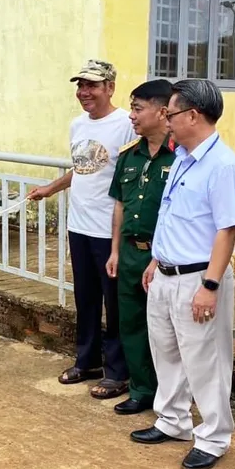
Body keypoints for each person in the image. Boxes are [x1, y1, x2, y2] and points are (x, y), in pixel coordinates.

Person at [129, 79, 235, 469]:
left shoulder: (224, 165)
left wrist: (210, 286)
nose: (167, 120)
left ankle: (213, 438)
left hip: (198, 278)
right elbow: (171, 214)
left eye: (171, 113)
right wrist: (155, 260)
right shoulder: (182, 156)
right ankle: (173, 420)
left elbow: (226, 230)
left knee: (206, 361)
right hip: (164, 273)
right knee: (166, 352)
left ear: (192, 115)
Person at [27, 59, 137, 400]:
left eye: (91, 85)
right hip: (80, 226)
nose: (83, 92)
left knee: (114, 302)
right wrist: (52, 188)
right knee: (86, 299)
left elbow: (131, 176)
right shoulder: (77, 125)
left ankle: (118, 371)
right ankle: (87, 361)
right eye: (80, 86)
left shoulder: (125, 125)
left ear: (109, 88)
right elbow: (84, 167)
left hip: (110, 231)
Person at [105, 79, 175, 415]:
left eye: (137, 108)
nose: (131, 115)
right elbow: (119, 204)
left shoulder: (181, 157)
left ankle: (170, 396)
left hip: (163, 256)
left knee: (165, 331)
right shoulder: (128, 156)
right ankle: (141, 389)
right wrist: (115, 250)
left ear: (163, 112)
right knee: (130, 324)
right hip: (131, 252)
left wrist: (159, 256)